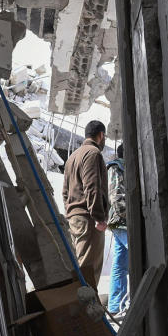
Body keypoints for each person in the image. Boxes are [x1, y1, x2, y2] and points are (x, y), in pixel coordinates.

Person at [62, 120, 109, 288]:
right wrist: (99, 217)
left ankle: (83, 308)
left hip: (76, 218)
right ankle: (88, 311)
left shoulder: (72, 157)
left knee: (82, 264)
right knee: (89, 269)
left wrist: (71, 213)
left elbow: (65, 193)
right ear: (101, 135)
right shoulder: (93, 153)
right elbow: (92, 186)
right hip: (88, 219)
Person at [106, 143, 128, 318]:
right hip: (122, 222)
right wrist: (129, 216)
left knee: (120, 264)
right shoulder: (117, 167)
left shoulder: (120, 167)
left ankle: (115, 305)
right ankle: (122, 303)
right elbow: (117, 196)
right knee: (134, 260)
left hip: (121, 222)